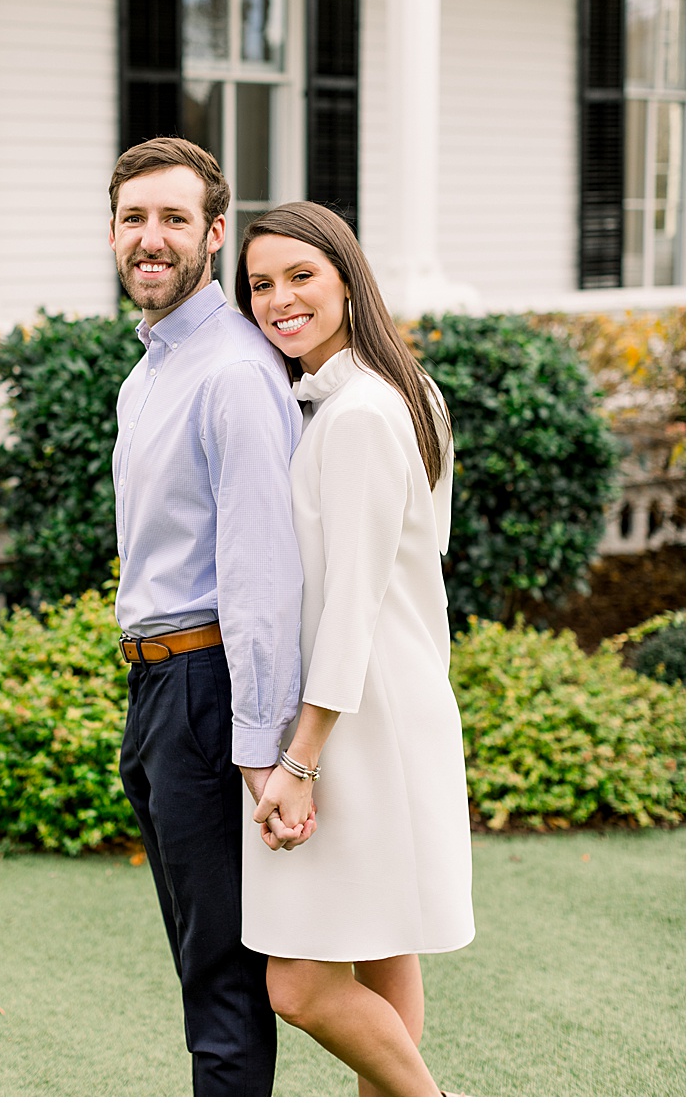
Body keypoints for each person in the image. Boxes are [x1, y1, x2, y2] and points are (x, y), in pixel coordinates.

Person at [234, 201, 475, 1098]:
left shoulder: (363, 414)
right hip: (380, 709)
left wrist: (300, 757)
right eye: (261, 283)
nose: (279, 299)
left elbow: (353, 607)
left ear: (346, 276)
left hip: (358, 727)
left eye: (301, 275)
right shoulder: (375, 395)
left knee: (298, 984)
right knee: (384, 956)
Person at [107, 137, 307, 1096]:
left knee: (224, 982)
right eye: (134, 218)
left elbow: (263, 572)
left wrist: (261, 744)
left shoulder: (231, 371)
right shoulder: (147, 375)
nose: (151, 239)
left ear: (215, 235)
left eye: (173, 219)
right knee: (202, 967)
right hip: (156, 686)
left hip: (206, 687)